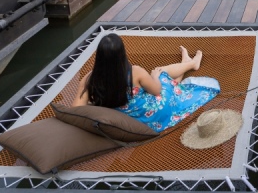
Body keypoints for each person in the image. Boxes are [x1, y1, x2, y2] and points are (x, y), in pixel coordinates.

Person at [73, 33, 220, 132]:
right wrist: (154, 76)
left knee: (166, 80)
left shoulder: (89, 80)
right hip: (153, 115)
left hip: (128, 123)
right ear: (122, 54)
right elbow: (156, 91)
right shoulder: (135, 72)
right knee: (162, 73)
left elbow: (75, 112)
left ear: (99, 57)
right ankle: (191, 64)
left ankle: (186, 63)